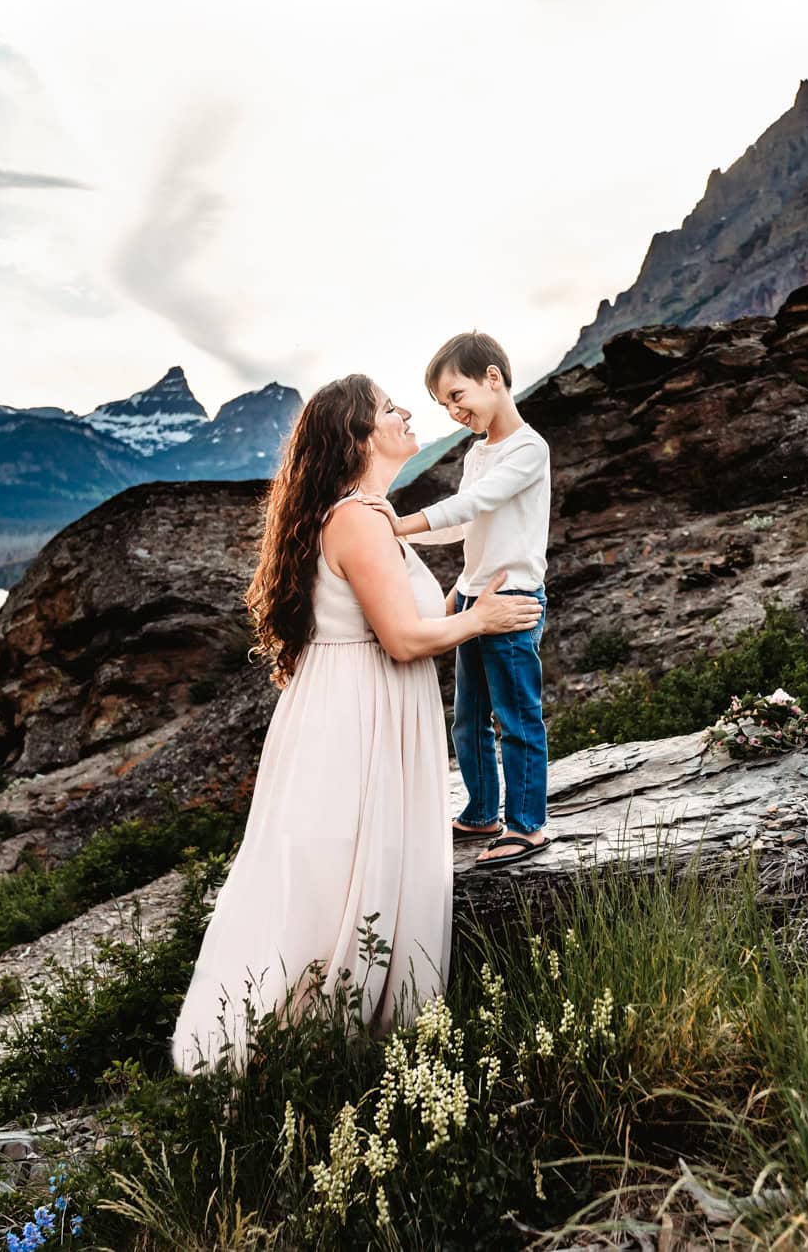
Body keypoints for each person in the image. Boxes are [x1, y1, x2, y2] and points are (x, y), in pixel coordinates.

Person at [171, 374, 541, 1074]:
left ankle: (327, 1042)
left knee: (338, 870)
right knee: (346, 873)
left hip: (352, 701)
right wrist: (483, 620)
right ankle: (330, 1047)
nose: (406, 413)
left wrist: (476, 589)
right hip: (359, 711)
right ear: (358, 437)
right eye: (388, 409)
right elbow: (401, 638)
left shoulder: (363, 514)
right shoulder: (358, 519)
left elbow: (406, 613)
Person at [373, 332, 553, 868]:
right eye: (444, 404)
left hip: (513, 600)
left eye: (457, 395)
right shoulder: (479, 452)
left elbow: (476, 501)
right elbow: (467, 524)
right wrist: (400, 538)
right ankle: (481, 812)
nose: (453, 411)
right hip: (475, 597)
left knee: (516, 717)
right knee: (468, 716)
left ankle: (527, 826)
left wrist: (404, 520)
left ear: (492, 379)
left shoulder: (528, 448)